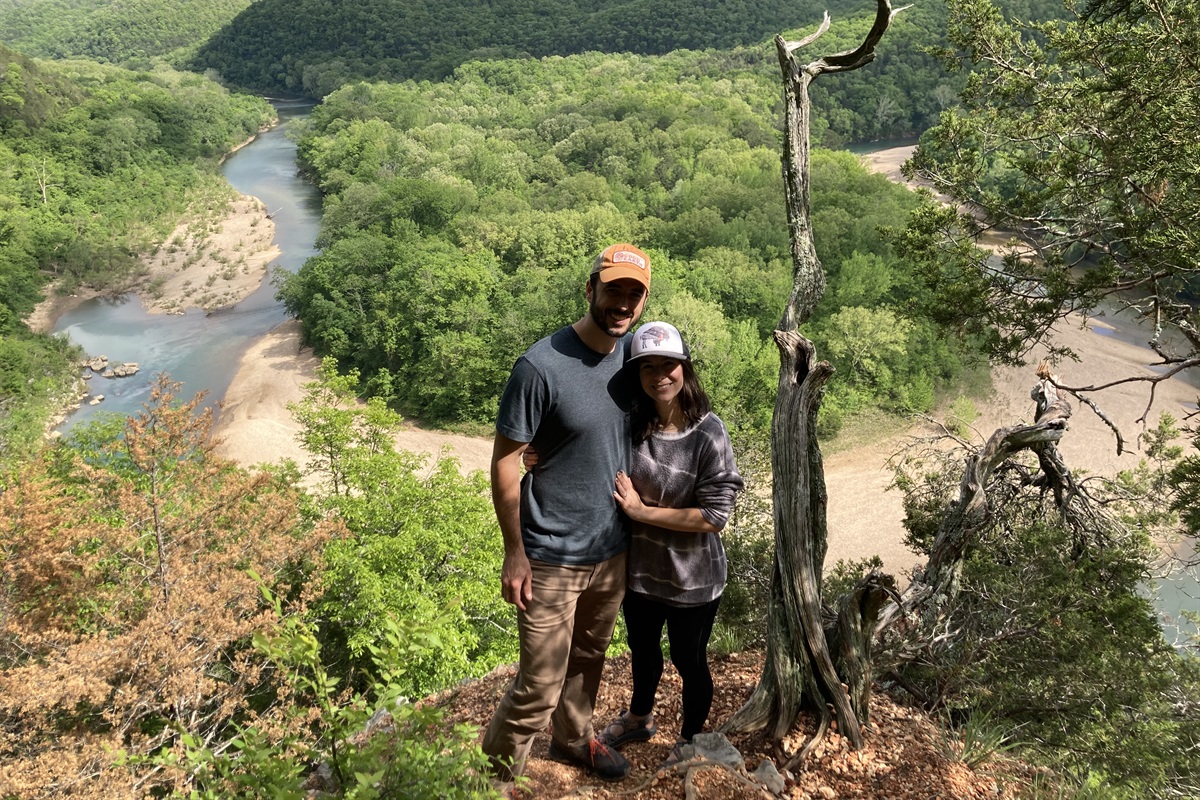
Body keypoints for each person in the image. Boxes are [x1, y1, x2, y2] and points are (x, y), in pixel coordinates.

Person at [481, 243, 651, 786]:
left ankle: (574, 738)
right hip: (550, 554)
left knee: (589, 657)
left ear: (643, 301)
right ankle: (494, 779)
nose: (622, 303)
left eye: (634, 293)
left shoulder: (638, 359)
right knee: (539, 683)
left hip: (612, 548)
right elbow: (507, 461)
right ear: (590, 290)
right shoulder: (541, 366)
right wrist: (515, 552)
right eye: (613, 290)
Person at [593, 321, 744, 769]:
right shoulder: (631, 425)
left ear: (685, 369)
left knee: (688, 658)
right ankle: (640, 717)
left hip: (693, 580)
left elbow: (715, 516)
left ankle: (692, 737)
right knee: (643, 651)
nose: (660, 375)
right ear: (637, 375)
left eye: (669, 365)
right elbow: (585, 446)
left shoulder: (708, 433)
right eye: (648, 367)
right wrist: (536, 453)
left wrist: (643, 513)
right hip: (640, 572)